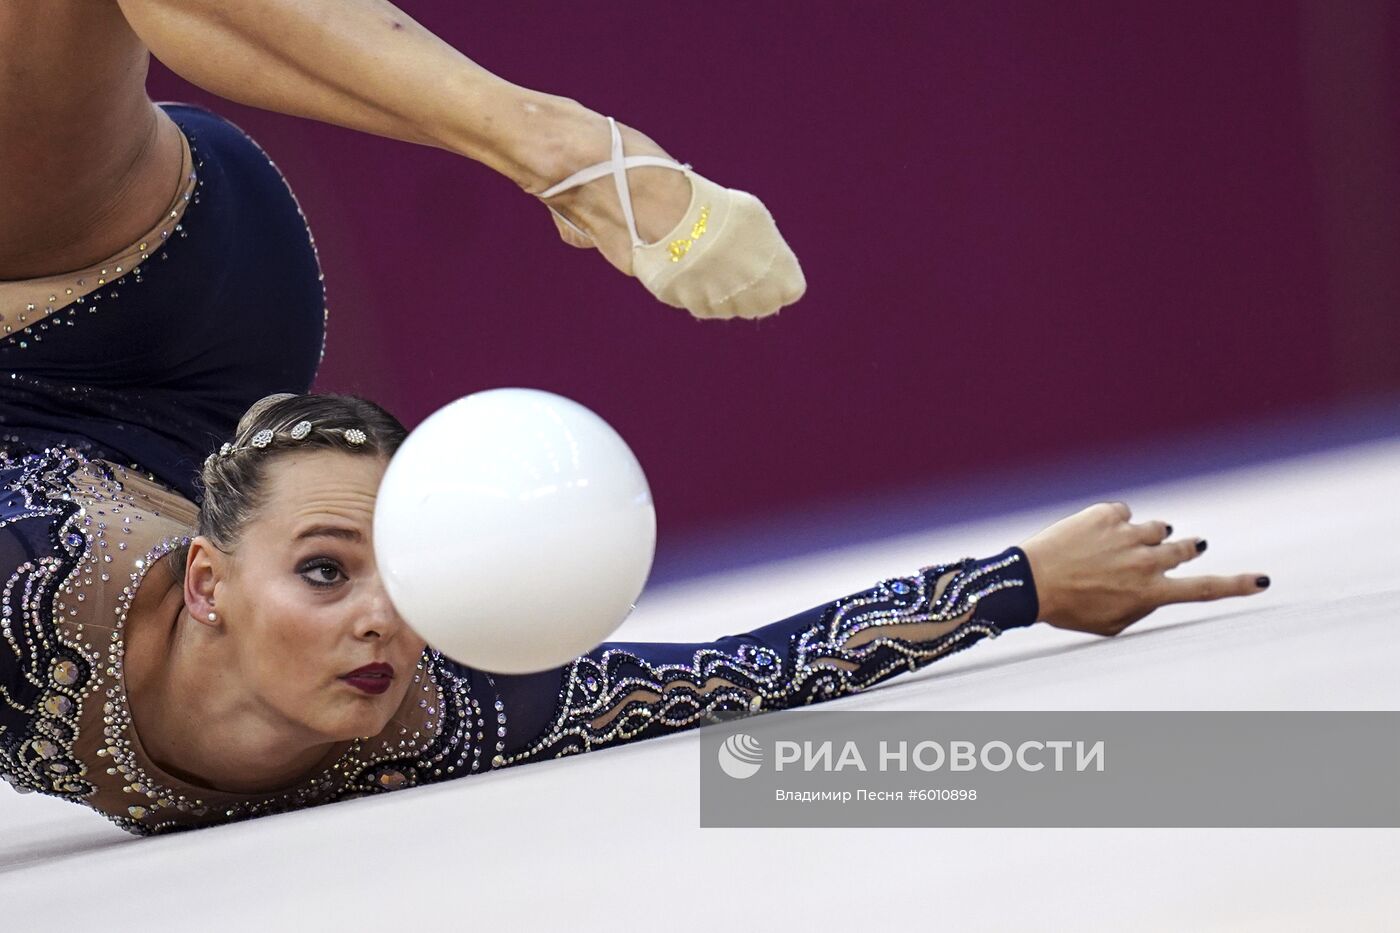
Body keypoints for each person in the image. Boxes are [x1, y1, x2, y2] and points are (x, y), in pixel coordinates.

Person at [0, 2, 1272, 835]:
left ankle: (566, 152)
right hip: (161, 309)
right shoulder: (444, 718)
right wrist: (1022, 584)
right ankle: (566, 149)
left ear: (211, 583)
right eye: (338, 571)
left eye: (380, 571)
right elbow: (743, 674)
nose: (389, 619)